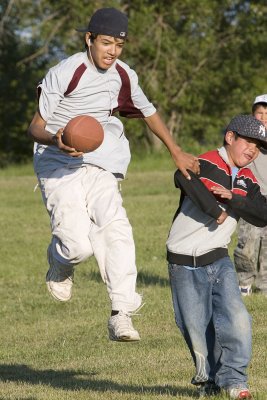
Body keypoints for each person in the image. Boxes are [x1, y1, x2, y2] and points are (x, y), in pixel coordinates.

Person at [27, 7, 199, 342]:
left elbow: (148, 112)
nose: (113, 51)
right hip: (56, 160)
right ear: (89, 39)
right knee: (78, 246)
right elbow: (35, 127)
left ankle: (121, 311)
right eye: (106, 43)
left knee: (115, 227)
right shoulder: (66, 72)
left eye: (119, 45)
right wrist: (58, 140)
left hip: (101, 159)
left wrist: (176, 151)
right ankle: (60, 261)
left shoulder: (123, 75)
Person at [166, 115, 267, 399]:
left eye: (258, 147)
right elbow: (181, 176)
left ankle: (235, 381)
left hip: (219, 259)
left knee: (237, 318)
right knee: (196, 327)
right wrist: (215, 209)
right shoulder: (207, 162)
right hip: (183, 261)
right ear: (230, 137)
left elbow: (262, 214)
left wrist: (233, 200)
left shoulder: (247, 179)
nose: (252, 150)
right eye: (248, 141)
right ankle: (207, 382)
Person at [234, 94, 267, 296]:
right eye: (259, 113)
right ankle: (244, 281)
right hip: (251, 200)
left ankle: (264, 286)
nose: (263, 117)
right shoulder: (248, 140)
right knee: (247, 243)